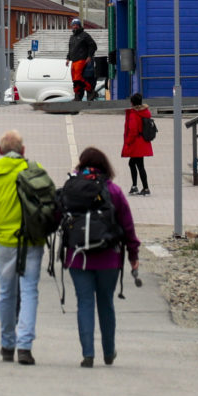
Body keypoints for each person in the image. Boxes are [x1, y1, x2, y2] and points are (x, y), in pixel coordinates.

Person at [58, 147, 140, 367]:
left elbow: (59, 217)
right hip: (108, 258)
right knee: (106, 303)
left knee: (84, 303)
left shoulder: (72, 188)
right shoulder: (113, 190)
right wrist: (133, 254)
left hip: (78, 257)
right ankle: (109, 351)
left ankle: (88, 353)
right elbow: (128, 226)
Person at [0, 130, 42, 364]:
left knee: (6, 291)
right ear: (23, 151)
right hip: (31, 238)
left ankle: (7, 344)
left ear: (0, 151)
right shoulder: (35, 169)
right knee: (29, 290)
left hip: (4, 239)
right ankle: (25, 346)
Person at [121, 92, 155, 195]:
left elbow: (133, 130)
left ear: (132, 103)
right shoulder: (145, 112)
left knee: (136, 164)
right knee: (136, 164)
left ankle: (142, 188)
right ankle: (137, 187)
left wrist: (127, 142)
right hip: (143, 141)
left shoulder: (134, 114)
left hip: (136, 143)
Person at [66, 19, 97, 101]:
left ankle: (90, 91)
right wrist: (68, 58)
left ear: (79, 26)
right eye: (73, 25)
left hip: (82, 59)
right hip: (74, 61)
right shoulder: (72, 37)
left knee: (78, 78)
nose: (75, 26)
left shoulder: (85, 35)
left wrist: (89, 56)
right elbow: (70, 49)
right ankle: (77, 96)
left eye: (77, 25)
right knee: (75, 80)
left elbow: (93, 45)